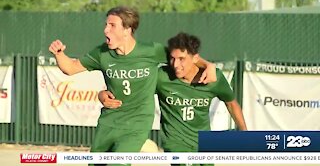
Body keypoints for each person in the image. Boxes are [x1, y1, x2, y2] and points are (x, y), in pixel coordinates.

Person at [49, 6, 216, 162]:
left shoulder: (151, 50)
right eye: (106, 25)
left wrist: (208, 65)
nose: (106, 29)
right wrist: (59, 54)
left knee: (118, 163)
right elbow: (70, 68)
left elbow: (183, 56)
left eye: (112, 25)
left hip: (137, 123)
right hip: (109, 122)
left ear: (127, 30)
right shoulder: (102, 53)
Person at [99, 32, 247, 166]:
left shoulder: (213, 78)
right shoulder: (161, 77)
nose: (176, 65)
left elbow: (231, 104)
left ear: (196, 58)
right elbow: (132, 90)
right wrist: (102, 94)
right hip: (175, 143)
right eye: (172, 58)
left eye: (182, 59)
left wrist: (244, 133)